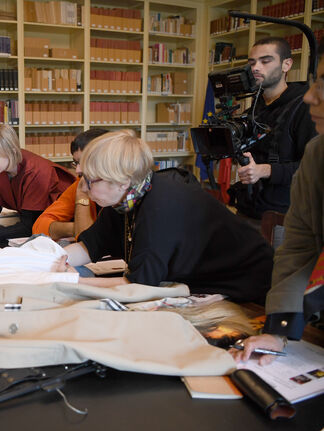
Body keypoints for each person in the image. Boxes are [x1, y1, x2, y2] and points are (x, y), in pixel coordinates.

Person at [63, 130, 274, 301]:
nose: (83, 187)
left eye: (89, 180)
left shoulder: (159, 207)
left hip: (247, 287)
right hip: (197, 282)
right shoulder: (125, 198)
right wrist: (51, 260)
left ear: (121, 182)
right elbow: (89, 246)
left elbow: (138, 285)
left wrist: (71, 281)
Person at [232, 39, 324, 365]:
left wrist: (267, 170)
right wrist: (278, 329)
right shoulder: (317, 154)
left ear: (286, 64)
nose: (311, 96)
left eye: (322, 84)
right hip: (253, 207)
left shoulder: (299, 113)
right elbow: (300, 246)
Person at [229, 37, 317, 221]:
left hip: (281, 218)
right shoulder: (255, 107)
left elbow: (314, 168)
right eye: (252, 63)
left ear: (286, 65)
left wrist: (265, 170)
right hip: (247, 209)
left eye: (265, 61)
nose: (256, 68)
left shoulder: (304, 108)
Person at [32, 128, 108, 240]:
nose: (77, 170)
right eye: (76, 163)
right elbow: (39, 226)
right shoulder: (81, 183)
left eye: (85, 162)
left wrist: (84, 229)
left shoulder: (126, 194)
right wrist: (76, 228)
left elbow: (89, 237)